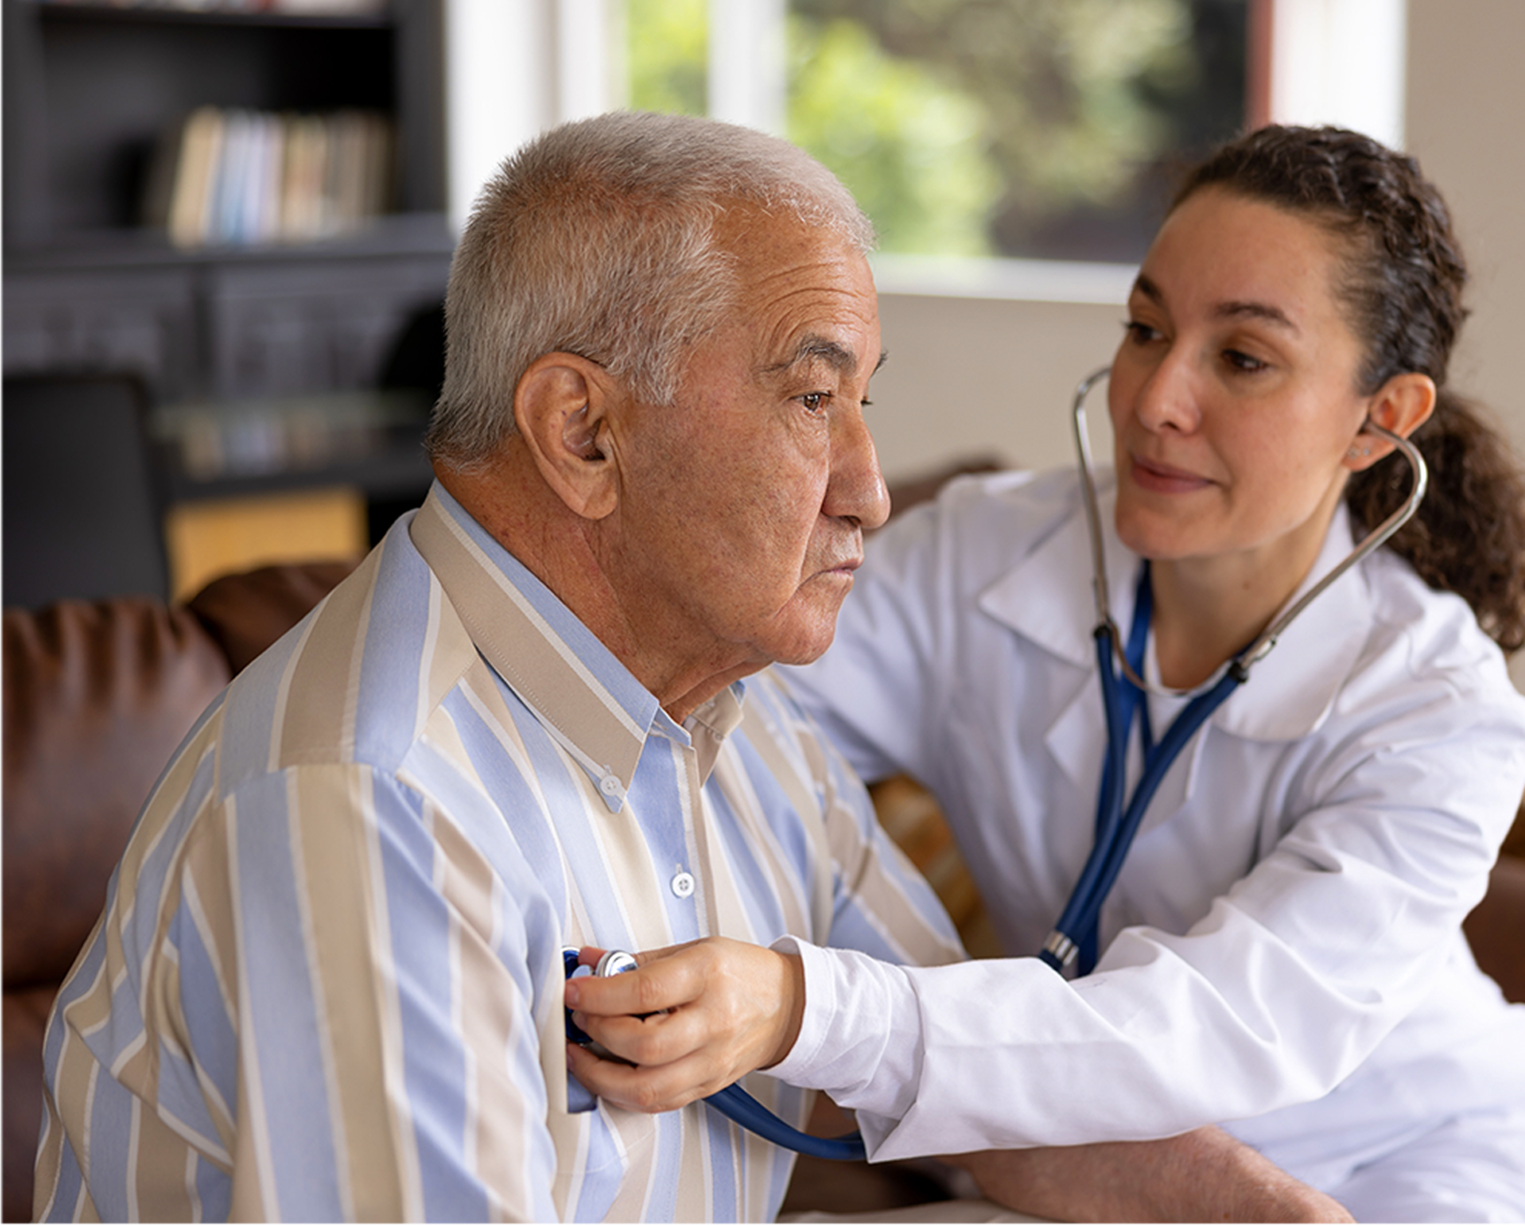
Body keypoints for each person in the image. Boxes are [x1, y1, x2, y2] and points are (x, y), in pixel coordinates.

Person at [31, 111, 1344, 1224]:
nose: (871, 490)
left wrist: (1282, 1216)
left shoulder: (736, 710)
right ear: (584, 431)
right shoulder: (373, 801)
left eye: (862, 402)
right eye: (812, 399)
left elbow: (949, 1070)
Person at [568, 125, 1525, 1221]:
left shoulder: (1440, 713)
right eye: (1144, 327)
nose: (1155, 397)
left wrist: (804, 1004)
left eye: (1242, 359)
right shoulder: (982, 559)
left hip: (1416, 1162)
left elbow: (1221, 1022)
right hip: (1070, 1157)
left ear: (1379, 420)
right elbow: (716, 715)